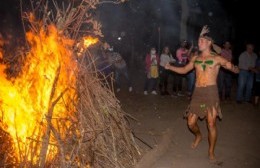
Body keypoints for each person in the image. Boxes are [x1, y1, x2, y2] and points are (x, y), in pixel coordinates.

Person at [165, 26, 239, 161]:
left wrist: (234, 68)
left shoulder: (217, 58)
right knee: (191, 123)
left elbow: (233, 68)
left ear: (209, 43)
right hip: (198, 92)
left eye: (201, 41)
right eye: (198, 41)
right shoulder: (195, 58)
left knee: (211, 124)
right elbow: (184, 70)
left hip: (211, 92)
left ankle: (211, 152)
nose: (199, 43)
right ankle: (198, 135)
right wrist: (170, 67)